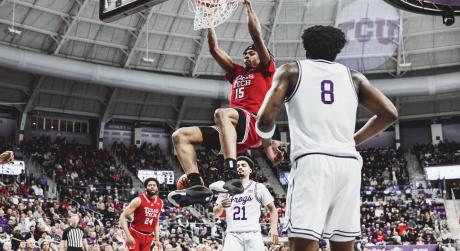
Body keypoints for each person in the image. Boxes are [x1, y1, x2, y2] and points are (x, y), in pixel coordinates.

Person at [256, 25, 398, 251]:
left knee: (302, 241)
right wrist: (352, 141)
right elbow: (389, 113)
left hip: (312, 162)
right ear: (337, 51)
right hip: (348, 165)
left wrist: (267, 144)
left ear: (306, 49)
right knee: (343, 244)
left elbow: (264, 120)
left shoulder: (291, 71)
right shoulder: (354, 78)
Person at [168, 0, 282, 206]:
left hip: (253, 124)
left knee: (222, 113)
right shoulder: (237, 72)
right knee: (180, 135)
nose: (247, 55)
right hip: (232, 128)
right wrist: (209, 19)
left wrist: (248, 7)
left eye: (252, 53)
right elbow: (213, 49)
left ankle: (230, 171)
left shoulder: (266, 70)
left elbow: (257, 36)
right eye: (245, 54)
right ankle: (196, 185)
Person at [213, 156, 279, 250]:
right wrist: (220, 206)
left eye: (243, 165)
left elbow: (272, 209)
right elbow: (215, 214)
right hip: (233, 234)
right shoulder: (226, 188)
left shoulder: (258, 187)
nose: (240, 167)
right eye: (237, 166)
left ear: (250, 170)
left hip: (253, 233)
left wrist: (273, 228)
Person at [119, 177, 163, 251]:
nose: (152, 186)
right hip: (135, 234)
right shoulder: (138, 200)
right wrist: (128, 235)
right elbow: (122, 216)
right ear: (146, 188)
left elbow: (156, 221)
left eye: (154, 185)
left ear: (157, 188)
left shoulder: (160, 202)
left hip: (148, 237)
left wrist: (157, 240)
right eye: (149, 185)